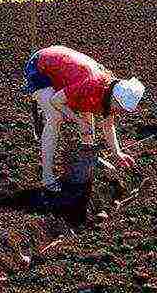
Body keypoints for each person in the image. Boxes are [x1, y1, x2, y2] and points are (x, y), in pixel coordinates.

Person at [22, 45, 145, 193]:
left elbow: (108, 126)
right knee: (56, 118)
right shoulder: (92, 85)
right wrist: (78, 121)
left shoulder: (111, 93)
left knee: (88, 106)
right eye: (121, 108)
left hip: (64, 70)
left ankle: (88, 156)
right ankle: (47, 177)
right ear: (116, 99)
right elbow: (56, 100)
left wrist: (117, 153)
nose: (120, 112)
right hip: (41, 66)